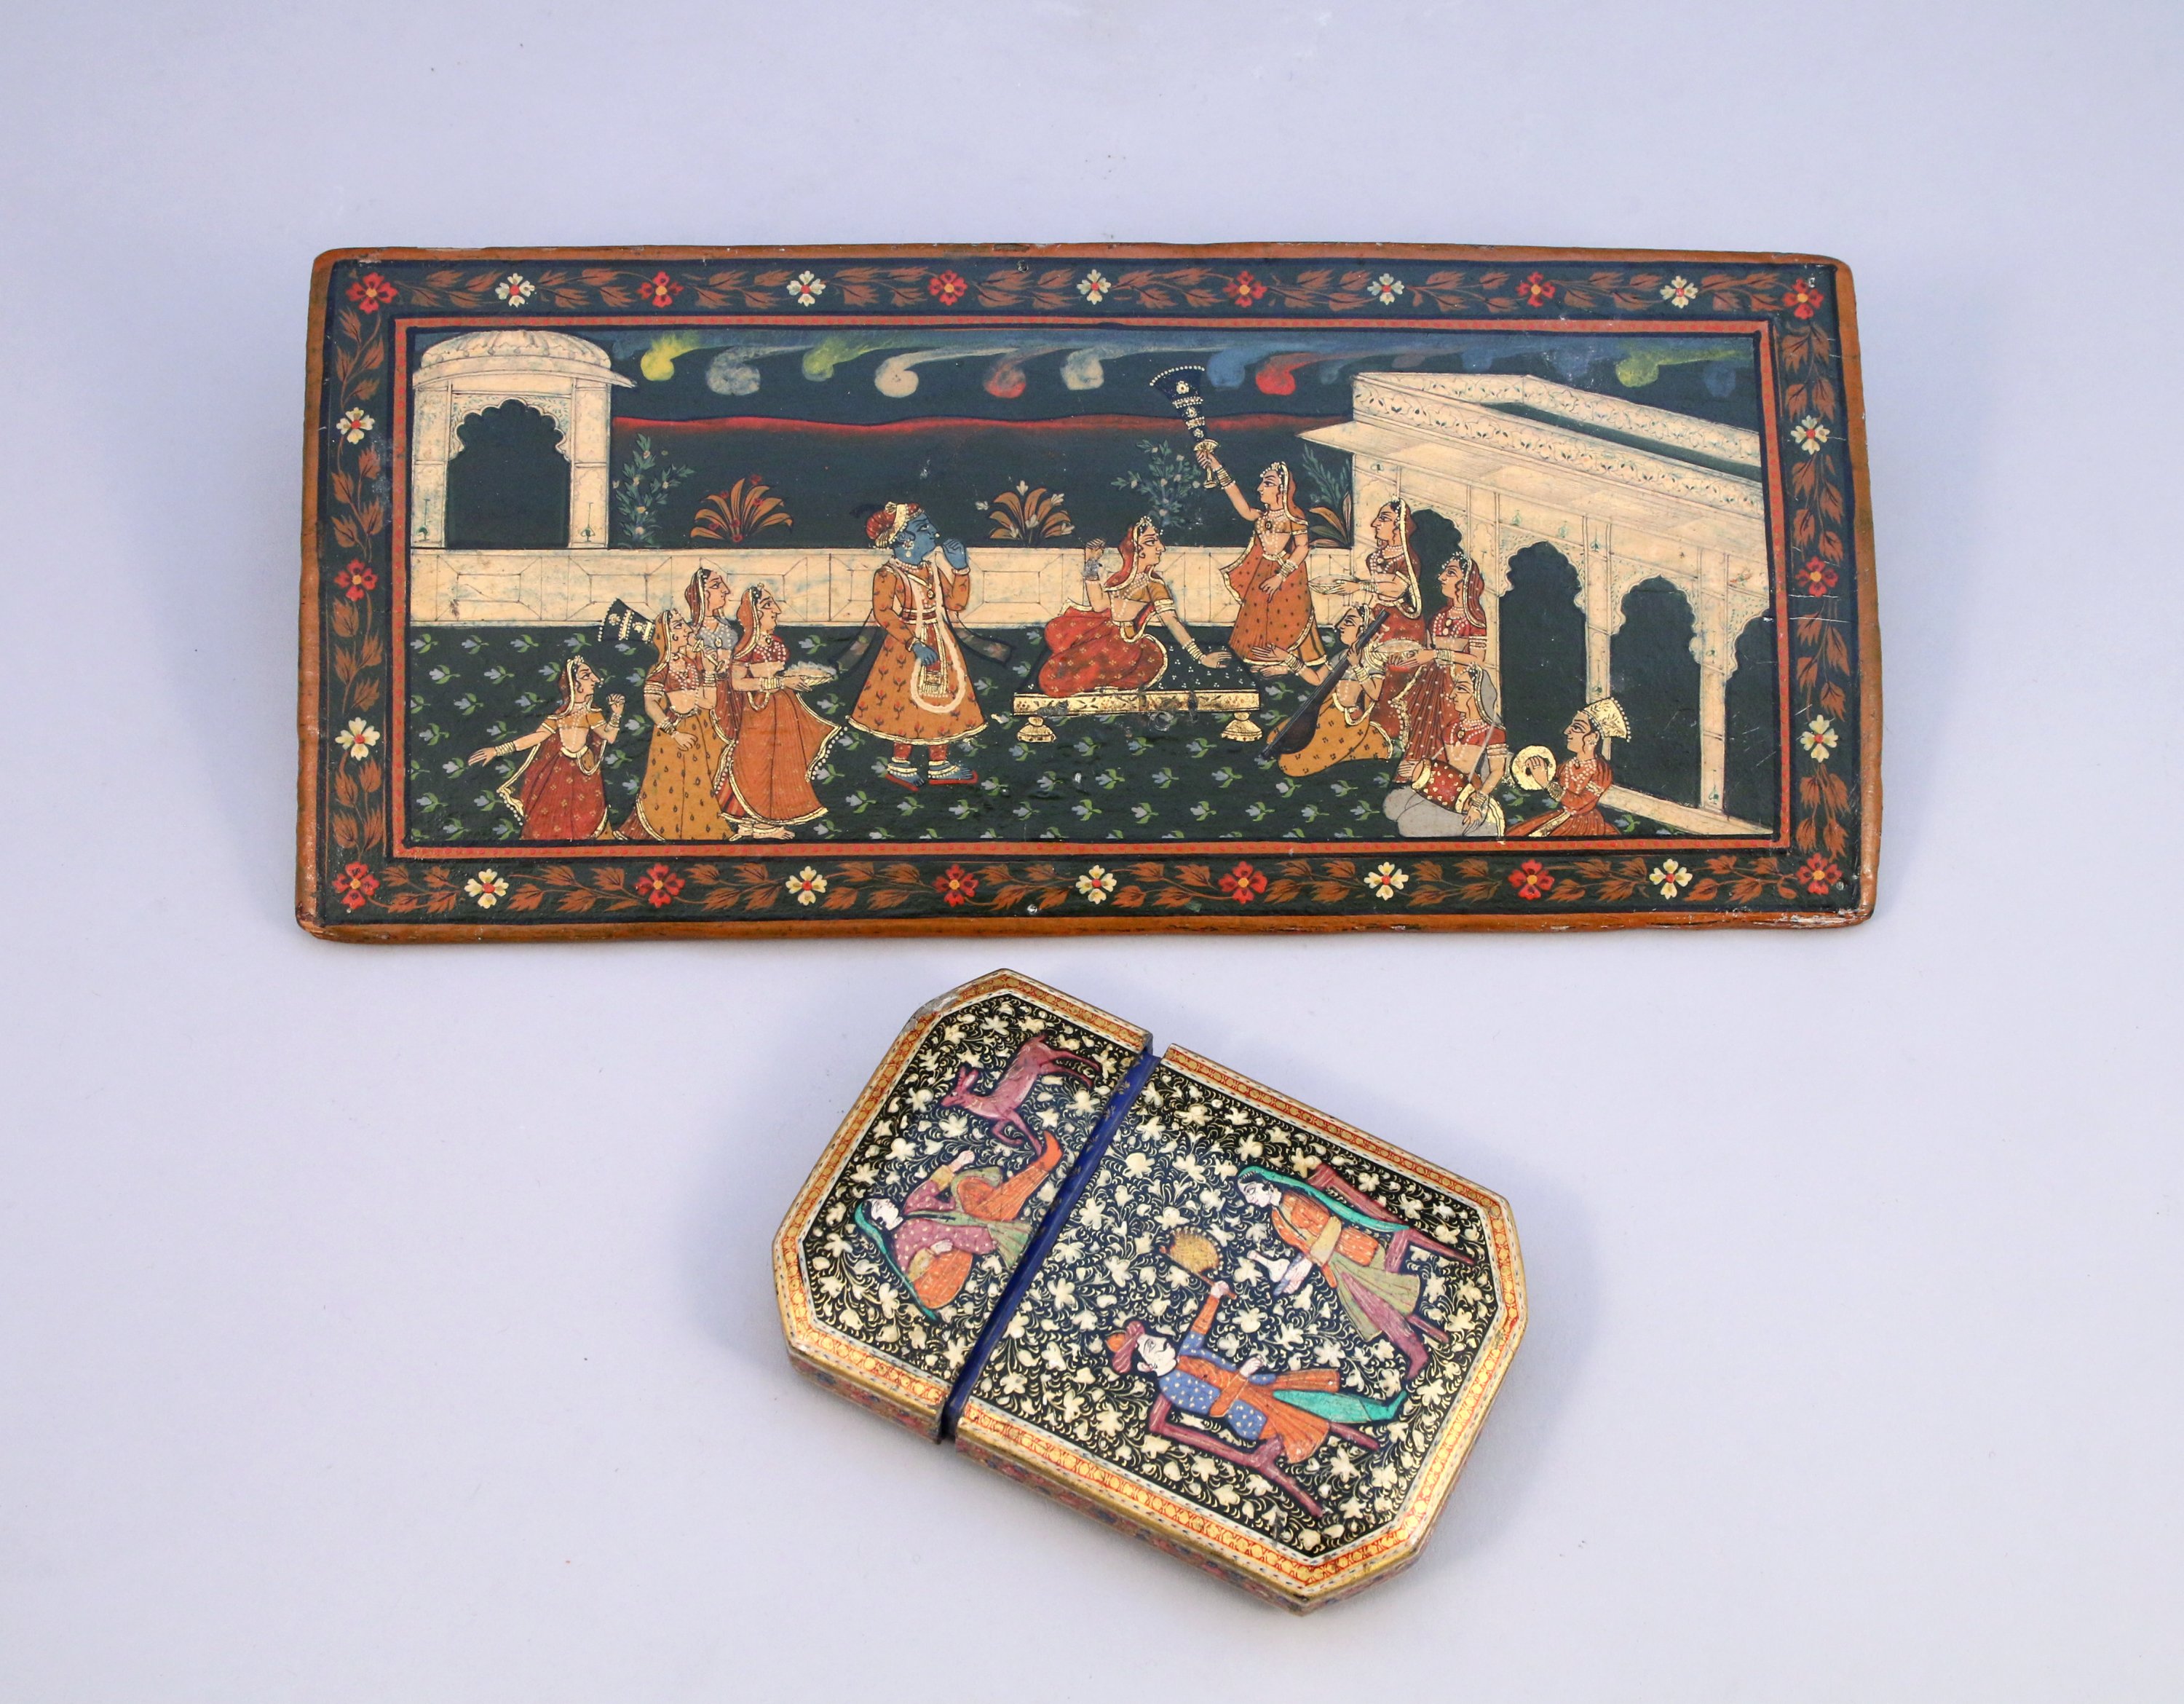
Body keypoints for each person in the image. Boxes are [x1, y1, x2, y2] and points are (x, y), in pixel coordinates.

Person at [1107, 1282, 1407, 1508]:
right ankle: (1381, 1413)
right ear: (1147, 1366)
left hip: (1260, 1389)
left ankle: (1377, 1413)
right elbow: (1217, 1409)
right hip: (1253, 1416)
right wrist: (1242, 1374)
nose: (1159, 1341)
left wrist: (1214, 1295)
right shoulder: (1173, 1387)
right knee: (1311, 1402)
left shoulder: (1184, 1354)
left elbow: (1200, 1328)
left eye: (1153, 1338)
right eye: (1150, 1347)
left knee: (1311, 1391)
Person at [1235, 1165, 1460, 1384]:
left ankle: (1416, 1351)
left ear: (1266, 1184)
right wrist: (1298, 1277)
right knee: (1364, 1308)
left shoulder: (1294, 1200)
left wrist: (1309, 1262)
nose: (1250, 1199)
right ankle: (1416, 1347)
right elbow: (1305, 1250)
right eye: (1246, 1196)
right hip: (1335, 1268)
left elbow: (1333, 1225)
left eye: (1251, 1191)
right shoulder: (1276, 1219)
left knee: (1372, 1303)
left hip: (1352, 1251)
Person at [847, 502, 986, 789]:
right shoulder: (888, 574)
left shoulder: (931, 569)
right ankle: (900, 763)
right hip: (905, 646)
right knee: (905, 702)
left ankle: (939, 764)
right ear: (903, 539)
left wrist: (961, 569)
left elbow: (956, 604)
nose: (934, 532)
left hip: (941, 639)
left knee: (943, 699)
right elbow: (884, 613)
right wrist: (914, 643)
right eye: (924, 528)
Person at [857, 1129, 1067, 1314]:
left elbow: (934, 1184)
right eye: (879, 1207)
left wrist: (958, 1162)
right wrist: (933, 1251)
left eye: (881, 1200)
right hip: (957, 1251)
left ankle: (1020, 1186)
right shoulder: (900, 1242)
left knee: (964, 1186)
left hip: (963, 1216)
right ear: (880, 1223)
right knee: (989, 1212)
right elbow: (910, 1272)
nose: (886, 1201)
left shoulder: (912, 1205)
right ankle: (1045, 1164)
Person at [1036, 518, 1228, 696]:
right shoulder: (1120, 580)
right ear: (1135, 548)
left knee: (1055, 680)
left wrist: (1201, 657)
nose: (1161, 548)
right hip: (1102, 639)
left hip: (1122, 651)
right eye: (1152, 542)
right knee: (1054, 673)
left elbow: (1171, 621)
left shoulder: (1155, 586)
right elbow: (1098, 605)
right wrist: (1091, 561)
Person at [716, 587, 841, 839]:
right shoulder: (745, 647)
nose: (777, 610)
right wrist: (780, 683)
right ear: (754, 613)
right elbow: (738, 683)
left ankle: (759, 821)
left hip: (780, 708)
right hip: (758, 710)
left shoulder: (775, 642)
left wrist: (792, 679)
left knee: (780, 763)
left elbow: (777, 674)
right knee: (757, 765)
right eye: (768, 605)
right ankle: (759, 824)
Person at [1193, 446, 1324, 677]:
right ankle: (1258, 658)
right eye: (1263, 483)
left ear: (1282, 490)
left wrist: (1280, 576)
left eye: (1268, 483)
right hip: (1262, 570)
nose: (1260, 488)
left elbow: (1303, 547)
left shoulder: (1294, 518)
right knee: (1257, 615)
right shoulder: (1261, 516)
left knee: (1285, 617)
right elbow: (1242, 506)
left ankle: (1285, 662)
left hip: (1287, 575)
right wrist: (1218, 468)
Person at [467, 656, 624, 840]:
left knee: (585, 819)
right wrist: (497, 751)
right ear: (575, 684)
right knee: (550, 819)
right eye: (586, 675)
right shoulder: (559, 715)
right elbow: (536, 737)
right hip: (559, 772)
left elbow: (609, 736)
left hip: (584, 772)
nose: (595, 679)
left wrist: (616, 714)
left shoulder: (592, 714)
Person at [623, 611, 737, 841]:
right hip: (671, 734)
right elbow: (650, 705)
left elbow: (708, 702)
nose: (687, 629)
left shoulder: (691, 664)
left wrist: (709, 672)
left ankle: (698, 834)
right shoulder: (661, 668)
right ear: (668, 635)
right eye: (679, 625)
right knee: (669, 785)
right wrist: (674, 733)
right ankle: (667, 833)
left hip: (695, 731)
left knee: (698, 783)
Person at [1382, 663, 1510, 838]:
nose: (1452, 695)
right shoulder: (1452, 728)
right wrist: (1420, 768)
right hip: (1445, 788)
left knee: (1407, 824)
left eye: (1461, 689)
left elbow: (1497, 772)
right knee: (1392, 805)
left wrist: (1477, 804)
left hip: (1470, 797)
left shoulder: (1493, 732)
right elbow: (1445, 767)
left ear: (1478, 695)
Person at [1510, 697, 1630, 837]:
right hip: (1563, 817)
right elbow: (1548, 774)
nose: (1567, 731)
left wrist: (1546, 783)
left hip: (1585, 825)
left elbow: (1579, 803)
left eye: (1577, 728)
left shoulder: (1601, 771)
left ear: (1594, 737)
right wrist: (1532, 766)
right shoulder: (1568, 764)